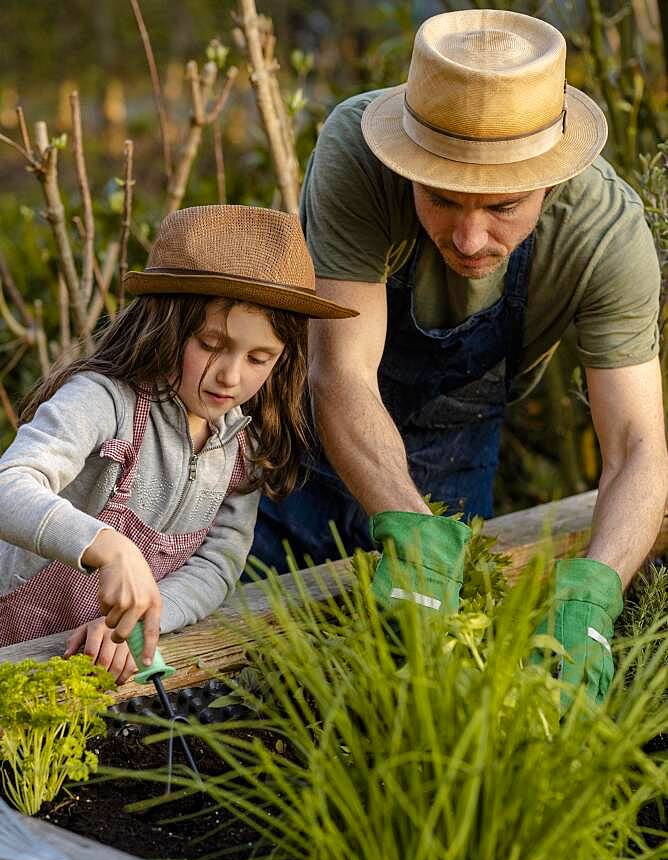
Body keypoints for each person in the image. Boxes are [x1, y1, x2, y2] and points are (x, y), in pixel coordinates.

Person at [251, 10, 668, 710]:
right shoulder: (358, 158)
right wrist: (413, 535)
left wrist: (598, 585)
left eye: (503, 206)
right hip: (315, 435)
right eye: (441, 199)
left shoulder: (606, 238)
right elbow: (342, 374)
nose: (470, 237)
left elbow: (637, 445)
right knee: (267, 672)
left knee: (426, 691)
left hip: (457, 443)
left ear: (553, 176)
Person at [0, 203, 356, 682]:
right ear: (166, 325)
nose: (230, 376)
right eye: (211, 345)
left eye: (259, 357)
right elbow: (9, 486)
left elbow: (219, 564)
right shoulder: (104, 402)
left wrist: (144, 621)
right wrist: (109, 547)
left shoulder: (241, 446)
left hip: (75, 663)